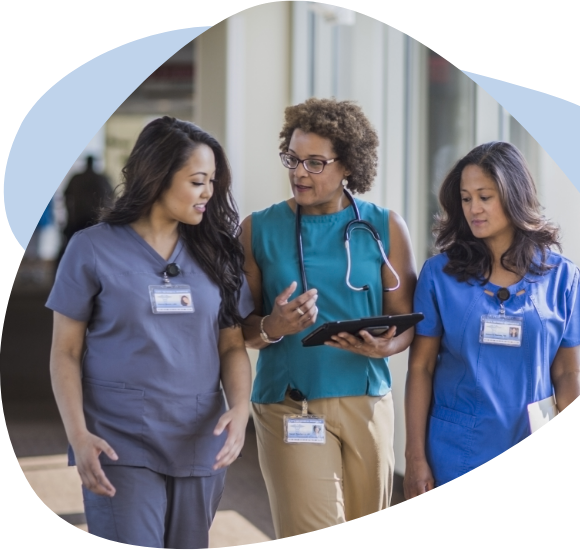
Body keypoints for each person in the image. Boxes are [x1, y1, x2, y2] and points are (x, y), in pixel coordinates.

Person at [47, 116, 254, 548]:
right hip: (118, 440)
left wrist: (240, 408)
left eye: (213, 181)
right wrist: (78, 434)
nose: (209, 193)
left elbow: (232, 344)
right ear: (157, 176)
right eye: (198, 180)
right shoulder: (92, 248)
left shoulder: (217, 252)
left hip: (200, 438)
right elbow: (65, 351)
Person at [240, 98, 417, 538]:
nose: (300, 172)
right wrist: (272, 326)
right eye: (293, 159)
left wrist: (386, 346)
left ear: (348, 166)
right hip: (289, 401)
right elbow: (239, 328)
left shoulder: (385, 228)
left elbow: (406, 320)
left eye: (315, 163)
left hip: (366, 397)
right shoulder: (257, 229)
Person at [404, 141, 580, 496]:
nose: (473, 209)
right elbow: (421, 369)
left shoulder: (562, 277)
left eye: (485, 196)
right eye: (466, 198)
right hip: (456, 451)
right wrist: (415, 456)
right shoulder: (439, 275)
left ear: (513, 195)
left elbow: (568, 373)